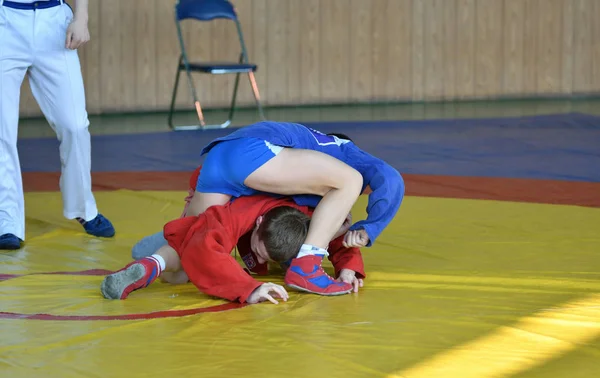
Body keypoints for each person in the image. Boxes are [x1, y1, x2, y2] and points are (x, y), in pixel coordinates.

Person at [185, 122, 404, 295]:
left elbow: (300, 235)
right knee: (351, 181)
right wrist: (369, 228)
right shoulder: (346, 153)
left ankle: (151, 264)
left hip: (219, 156)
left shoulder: (291, 181)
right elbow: (391, 179)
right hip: (252, 150)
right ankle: (308, 267)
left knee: (185, 242)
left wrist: (348, 266)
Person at [101, 194, 365, 304]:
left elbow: (332, 239)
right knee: (185, 255)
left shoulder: (309, 221)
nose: (261, 257)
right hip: (208, 211)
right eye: (259, 250)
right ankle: (153, 258)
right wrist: (248, 289)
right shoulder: (246, 210)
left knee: (184, 263)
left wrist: (348, 269)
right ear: (259, 223)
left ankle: (153, 262)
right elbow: (203, 244)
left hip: (246, 223)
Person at [0, 0, 114, 250]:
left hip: (53, 20)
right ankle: (6, 220)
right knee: (1, 131)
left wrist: (81, 17)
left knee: (74, 125)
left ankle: (83, 207)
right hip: (5, 19)